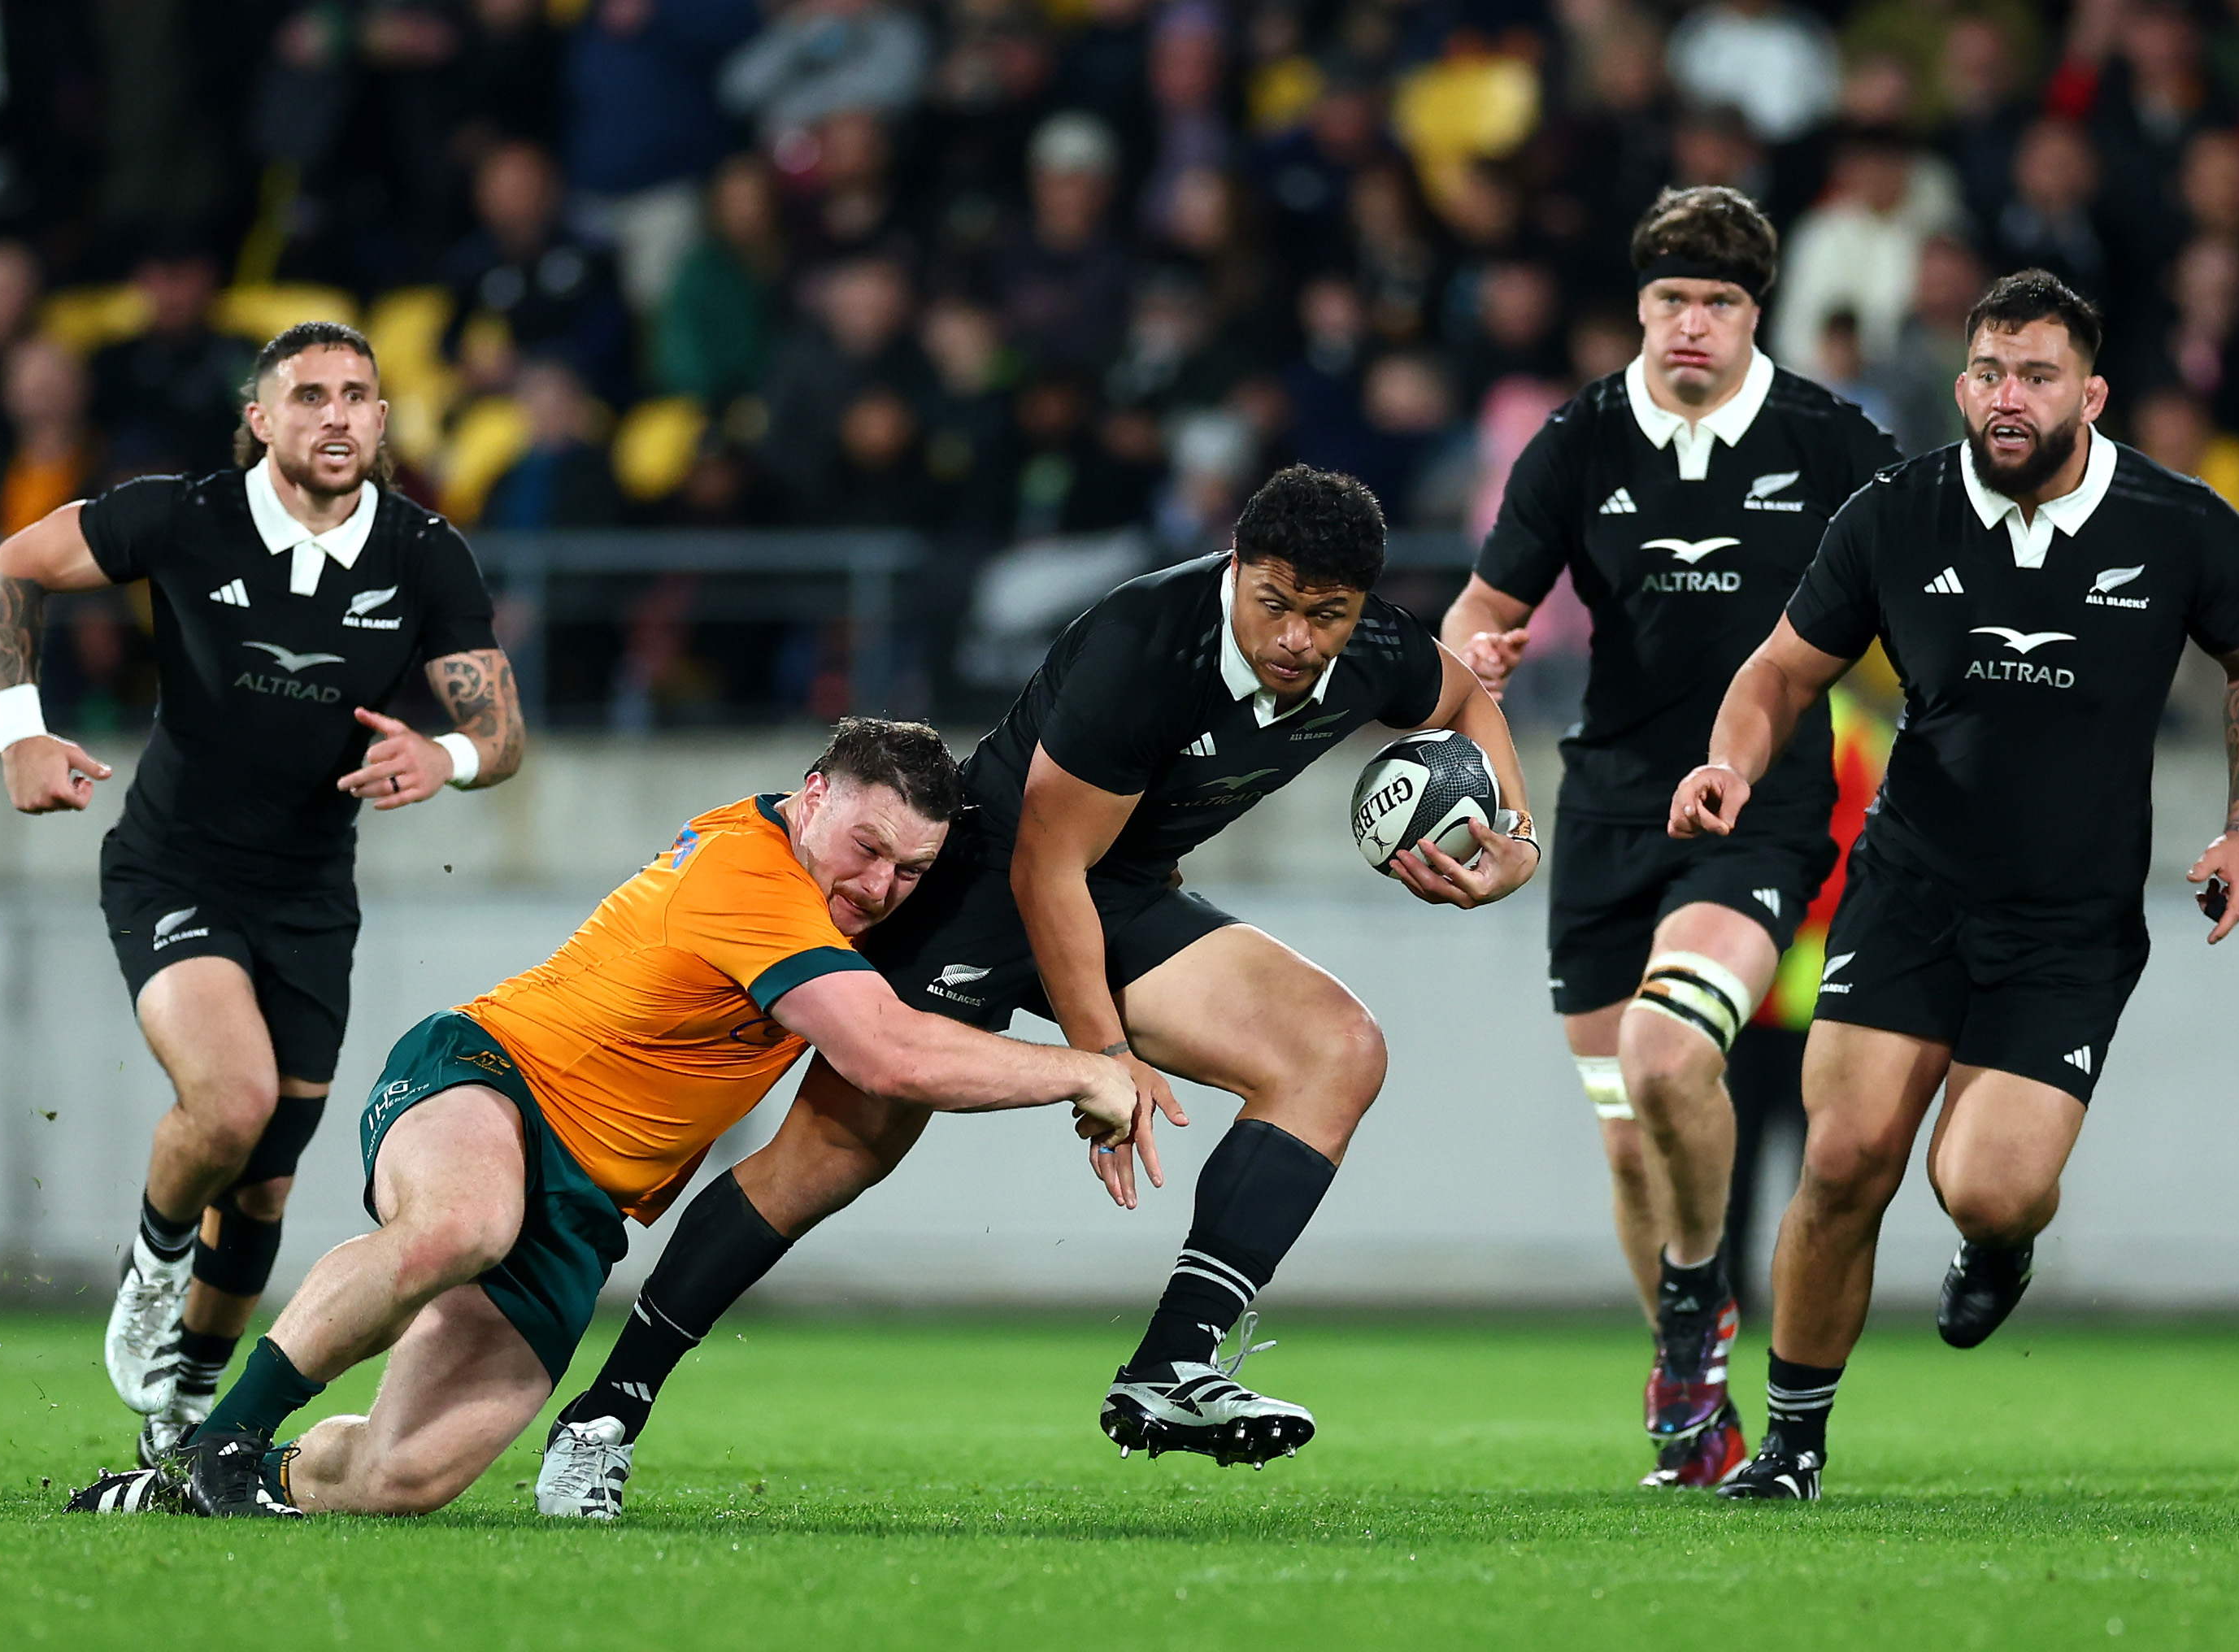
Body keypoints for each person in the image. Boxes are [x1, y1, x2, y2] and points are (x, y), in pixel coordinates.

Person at [532, 464, 1541, 1517]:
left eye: (1325, 616)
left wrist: (1517, 842)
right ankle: (606, 1412)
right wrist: (1102, 1063)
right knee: (833, 1154)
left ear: (1362, 610)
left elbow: (1466, 694)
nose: (1294, 638)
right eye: (1273, 603)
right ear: (1236, 568)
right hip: (983, 887)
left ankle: (1172, 1368)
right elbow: (1045, 871)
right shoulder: (1145, 645)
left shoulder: (1372, 653)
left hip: (1124, 894)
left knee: (1338, 1050)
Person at [64, 720, 1141, 1518]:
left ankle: (184, 1492)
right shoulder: (751, 874)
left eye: (912, 869)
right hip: (493, 1079)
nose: (882, 887)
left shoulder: (826, 883)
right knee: (462, 1223)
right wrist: (1084, 1071)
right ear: (811, 796)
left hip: (588, 1211)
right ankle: (225, 1444)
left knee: (407, 1477)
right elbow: (883, 1052)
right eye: (868, 848)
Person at [1672, 270, 2239, 1500]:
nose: (2008, 398)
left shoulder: (2179, 523)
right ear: (1963, 383)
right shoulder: (1893, 515)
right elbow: (1779, 672)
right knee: (1846, 1156)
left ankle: (1998, 1242)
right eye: (1990, 373)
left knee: (1989, 1183)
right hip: (1910, 887)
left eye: (2038, 376)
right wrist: (1725, 762)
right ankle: (1793, 1447)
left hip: (2069, 921)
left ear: (2092, 392)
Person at [0, 322, 526, 1467]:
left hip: (312, 895)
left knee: (267, 1184)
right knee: (229, 1104)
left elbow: (499, 731)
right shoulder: (184, 515)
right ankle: (153, 1260)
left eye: (360, 396)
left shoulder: (427, 554)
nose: (338, 414)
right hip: (174, 864)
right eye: (310, 395)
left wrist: (451, 759)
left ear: (384, 420)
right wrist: (21, 737)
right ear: (261, 420)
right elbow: (13, 567)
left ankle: (185, 1403)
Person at [1440, 185, 1899, 1489]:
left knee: (1665, 1051)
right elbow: (1475, 620)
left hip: (1760, 811)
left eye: (1719, 303)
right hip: (1600, 817)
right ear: (1638, 308)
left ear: (1757, 313)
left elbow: (1928, 589)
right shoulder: (1577, 441)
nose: (1692, 324)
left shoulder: (1829, 440)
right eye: (1670, 301)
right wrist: (1471, 659)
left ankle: (1697, 1309)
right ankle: (1694, 1410)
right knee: (1630, 1130)